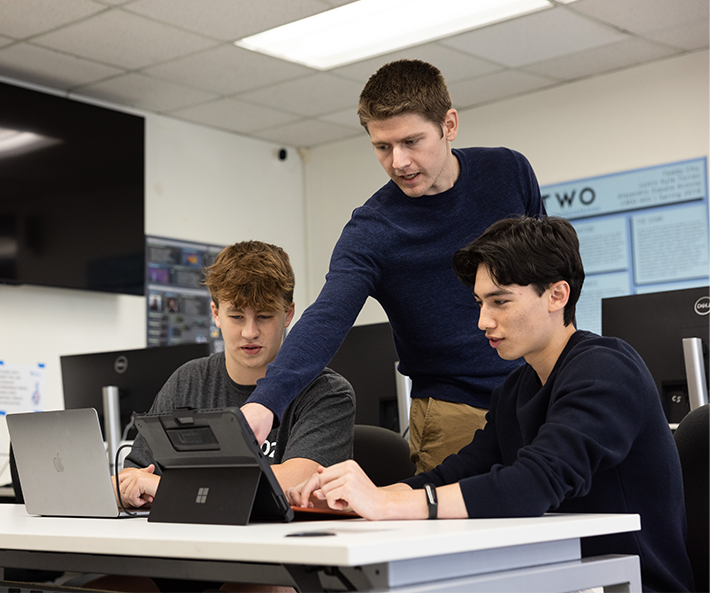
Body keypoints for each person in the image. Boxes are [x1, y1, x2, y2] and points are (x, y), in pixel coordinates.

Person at [288, 215, 694, 593]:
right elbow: (454, 474)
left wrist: (386, 503)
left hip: (625, 582)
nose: (483, 321)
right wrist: (359, 499)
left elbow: (533, 485)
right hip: (557, 575)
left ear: (557, 295)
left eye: (500, 302)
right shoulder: (517, 386)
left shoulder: (606, 368)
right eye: (480, 303)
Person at [241, 59, 545, 474]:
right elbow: (328, 316)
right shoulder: (373, 229)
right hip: (454, 411)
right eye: (382, 147)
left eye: (411, 141)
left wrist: (567, 367)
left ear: (449, 125)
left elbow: (550, 274)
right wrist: (265, 403)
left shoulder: (508, 172)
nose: (398, 161)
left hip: (540, 392)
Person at [118, 240, 355, 509]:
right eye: (237, 317)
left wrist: (168, 486)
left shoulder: (327, 392)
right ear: (216, 314)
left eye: (264, 316)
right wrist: (126, 488)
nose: (249, 332)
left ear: (288, 313)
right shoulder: (188, 381)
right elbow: (131, 475)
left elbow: (298, 482)